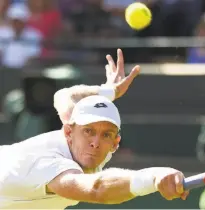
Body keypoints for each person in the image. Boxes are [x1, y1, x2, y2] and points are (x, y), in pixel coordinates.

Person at [0, 49, 189, 209]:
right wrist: (154, 177)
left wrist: (108, 91)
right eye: (88, 131)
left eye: (106, 134)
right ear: (68, 133)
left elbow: (64, 95)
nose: (95, 142)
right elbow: (97, 189)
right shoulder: (48, 164)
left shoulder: (80, 136)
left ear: (115, 144)